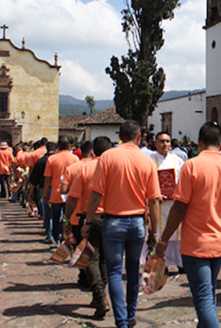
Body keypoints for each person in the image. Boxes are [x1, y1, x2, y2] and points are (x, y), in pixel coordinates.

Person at [156, 121, 221, 328]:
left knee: (204, 299)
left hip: (195, 244)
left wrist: (163, 239)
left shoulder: (192, 166)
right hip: (220, 242)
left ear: (198, 142)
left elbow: (179, 208)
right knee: (209, 293)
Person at [83, 120, 161, 328]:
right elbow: (154, 200)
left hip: (113, 221)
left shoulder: (108, 157)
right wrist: (155, 231)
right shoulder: (147, 161)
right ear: (138, 137)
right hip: (137, 222)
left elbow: (95, 195)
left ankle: (121, 321)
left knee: (115, 272)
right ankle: (131, 313)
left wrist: (88, 221)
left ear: (119, 136)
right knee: (134, 269)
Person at [63, 139, 110, 317]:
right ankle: (99, 297)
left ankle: (100, 296)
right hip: (112, 218)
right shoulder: (114, 168)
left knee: (90, 258)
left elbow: (73, 198)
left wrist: (66, 218)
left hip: (91, 218)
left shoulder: (85, 168)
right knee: (105, 260)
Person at [149, 132, 185, 270]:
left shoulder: (178, 160)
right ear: (155, 143)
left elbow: (183, 180)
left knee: (178, 233)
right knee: (160, 232)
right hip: (158, 205)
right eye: (162, 141)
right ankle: (161, 262)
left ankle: (181, 263)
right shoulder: (150, 160)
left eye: (168, 141)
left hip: (175, 203)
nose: (165, 144)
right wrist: (154, 195)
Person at [43, 137, 79, 245]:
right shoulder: (75, 158)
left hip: (56, 193)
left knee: (55, 216)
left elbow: (47, 178)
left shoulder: (52, 159)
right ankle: (67, 238)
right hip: (70, 193)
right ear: (69, 146)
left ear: (57, 146)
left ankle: (55, 237)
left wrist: (45, 193)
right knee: (68, 218)